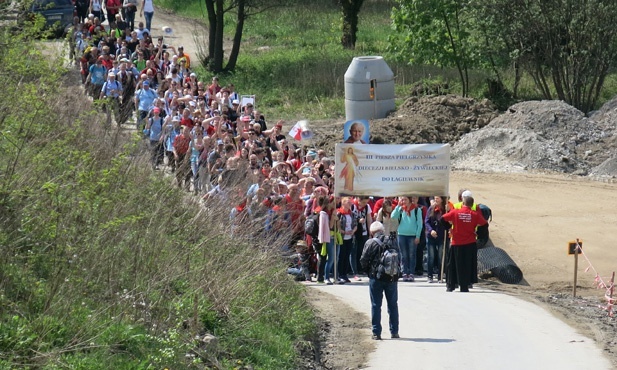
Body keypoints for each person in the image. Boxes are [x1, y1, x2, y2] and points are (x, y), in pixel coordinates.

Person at [360, 221, 400, 340]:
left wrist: (369, 272)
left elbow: (363, 260)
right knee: (393, 305)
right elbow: (400, 257)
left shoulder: (370, 242)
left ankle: (376, 333)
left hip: (376, 277)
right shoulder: (392, 240)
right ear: (382, 230)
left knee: (376, 305)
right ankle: (394, 331)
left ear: (372, 232)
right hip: (391, 277)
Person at [442, 196, 487, 292]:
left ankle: (451, 285)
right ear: (472, 205)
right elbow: (484, 224)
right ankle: (464, 286)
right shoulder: (474, 214)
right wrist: (479, 234)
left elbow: (443, 218)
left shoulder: (455, 212)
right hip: (470, 243)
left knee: (453, 265)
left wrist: (449, 227)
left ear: (463, 203)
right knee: (467, 265)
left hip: (456, 242)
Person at [391, 196, 423, 282]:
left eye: (405, 199)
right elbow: (393, 216)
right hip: (402, 234)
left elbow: (419, 224)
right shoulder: (401, 209)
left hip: (412, 235)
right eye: (402, 199)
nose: (403, 201)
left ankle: (411, 273)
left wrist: (418, 236)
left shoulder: (417, 210)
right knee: (403, 255)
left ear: (409, 200)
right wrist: (398, 206)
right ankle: (404, 272)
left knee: (412, 255)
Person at [424, 196, 448, 282]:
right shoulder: (431, 208)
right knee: (431, 256)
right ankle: (429, 275)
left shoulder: (445, 209)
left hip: (441, 236)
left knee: (440, 256)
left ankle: (440, 275)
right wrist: (431, 230)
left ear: (442, 199)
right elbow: (426, 221)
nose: (436, 200)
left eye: (437, 198)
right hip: (431, 236)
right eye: (435, 198)